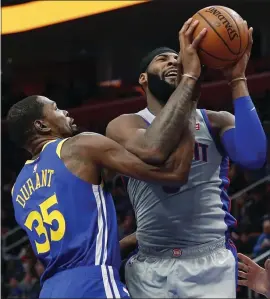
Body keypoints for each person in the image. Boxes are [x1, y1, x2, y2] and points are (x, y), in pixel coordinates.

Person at [7, 26, 204, 299]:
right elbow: (171, 172)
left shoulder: (18, 189)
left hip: (51, 289)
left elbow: (74, 246)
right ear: (41, 125)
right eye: (55, 108)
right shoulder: (81, 146)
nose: (64, 111)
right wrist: (188, 95)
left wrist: (137, 238)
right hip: (95, 283)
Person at [106, 19, 267, 298]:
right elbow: (152, 149)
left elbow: (254, 156)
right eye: (162, 59)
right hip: (151, 264)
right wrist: (189, 80)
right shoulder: (125, 125)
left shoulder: (214, 121)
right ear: (143, 79)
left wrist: (237, 79)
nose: (173, 62)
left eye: (177, 58)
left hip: (210, 260)